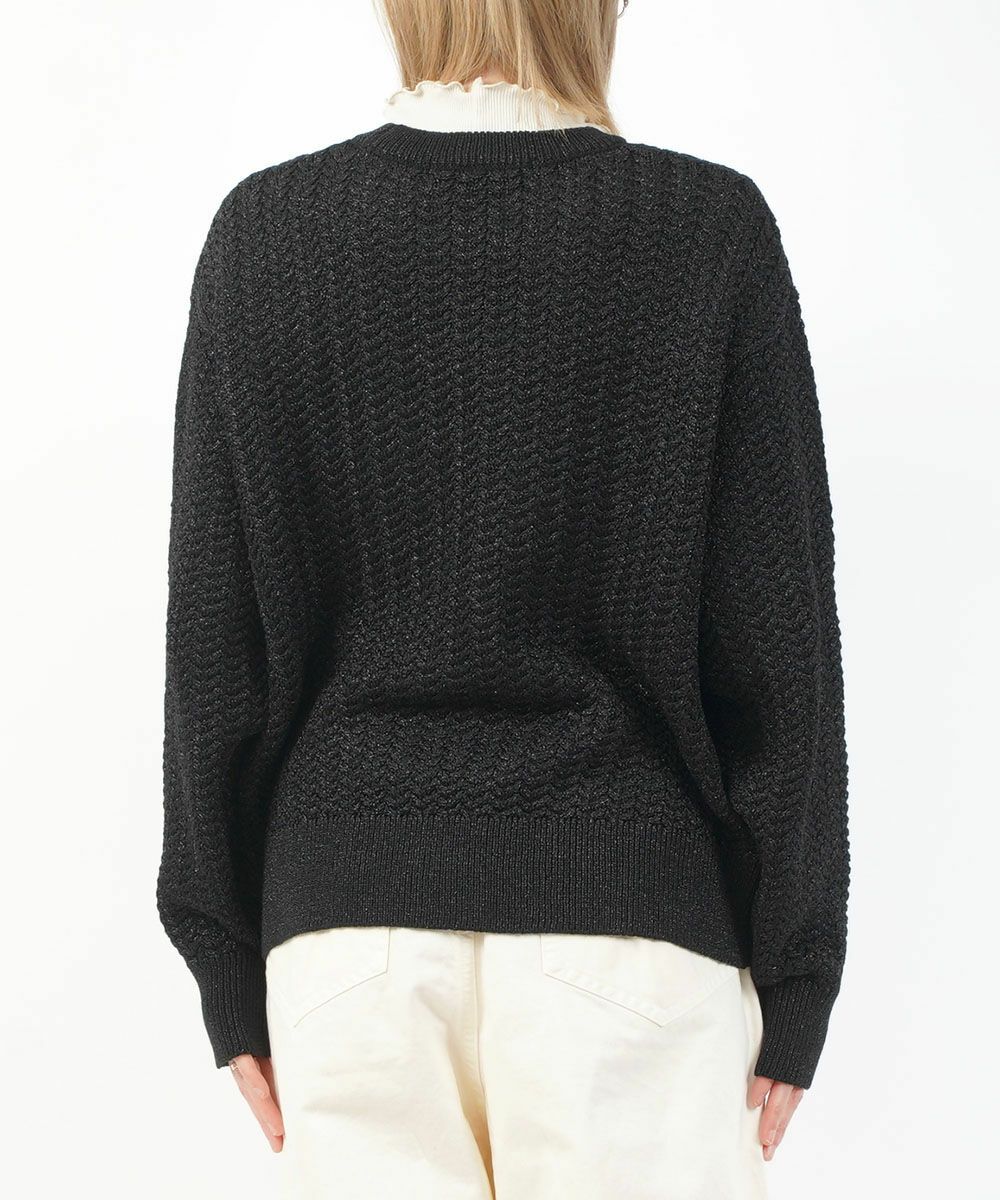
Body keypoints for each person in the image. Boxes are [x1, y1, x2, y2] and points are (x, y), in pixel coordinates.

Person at [157, 1, 850, 1196]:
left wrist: (224, 957)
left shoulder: (266, 233)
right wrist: (796, 965)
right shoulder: (703, 229)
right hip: (628, 931)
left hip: (346, 952)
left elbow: (214, 650)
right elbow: (777, 647)